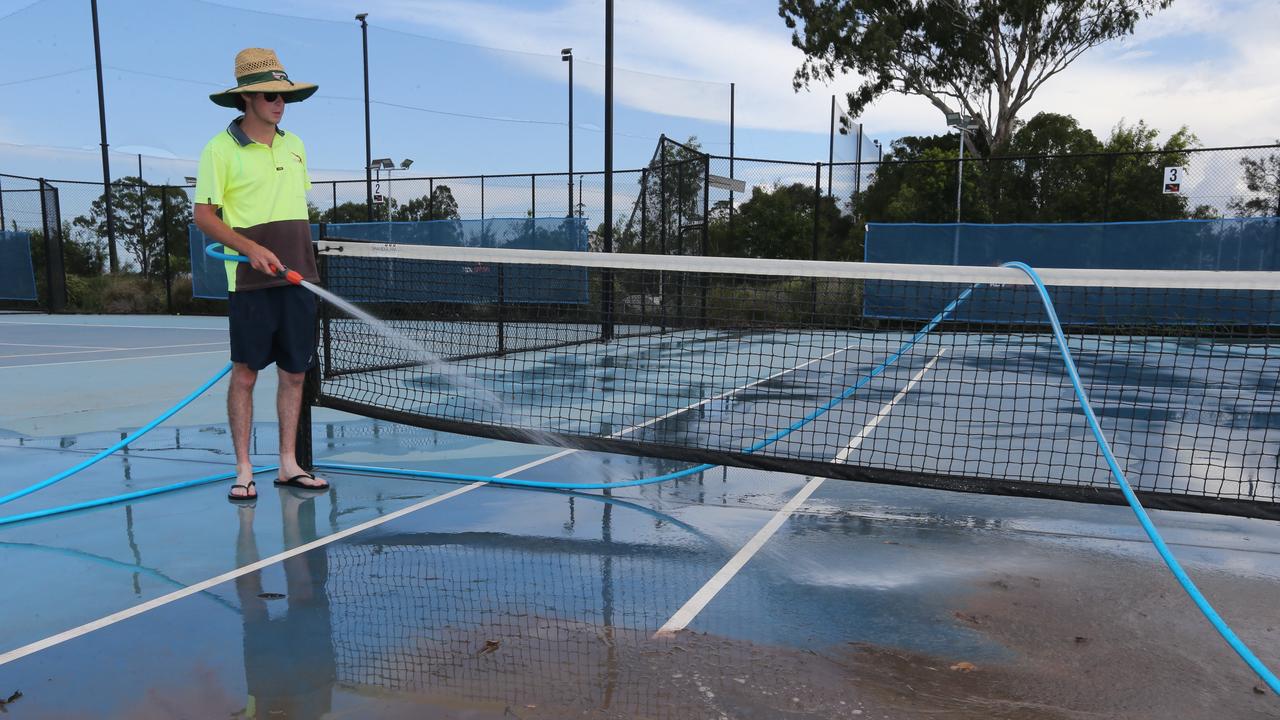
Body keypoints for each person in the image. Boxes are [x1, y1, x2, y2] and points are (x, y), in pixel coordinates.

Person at [194, 48, 328, 502]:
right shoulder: (218, 149)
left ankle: (288, 465)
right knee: (247, 374)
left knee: (294, 374)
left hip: (298, 277)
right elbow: (205, 216)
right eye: (270, 94)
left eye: (284, 95)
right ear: (247, 98)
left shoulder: (295, 146)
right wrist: (249, 248)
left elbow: (291, 209)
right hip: (250, 282)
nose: (279, 102)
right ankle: (244, 468)